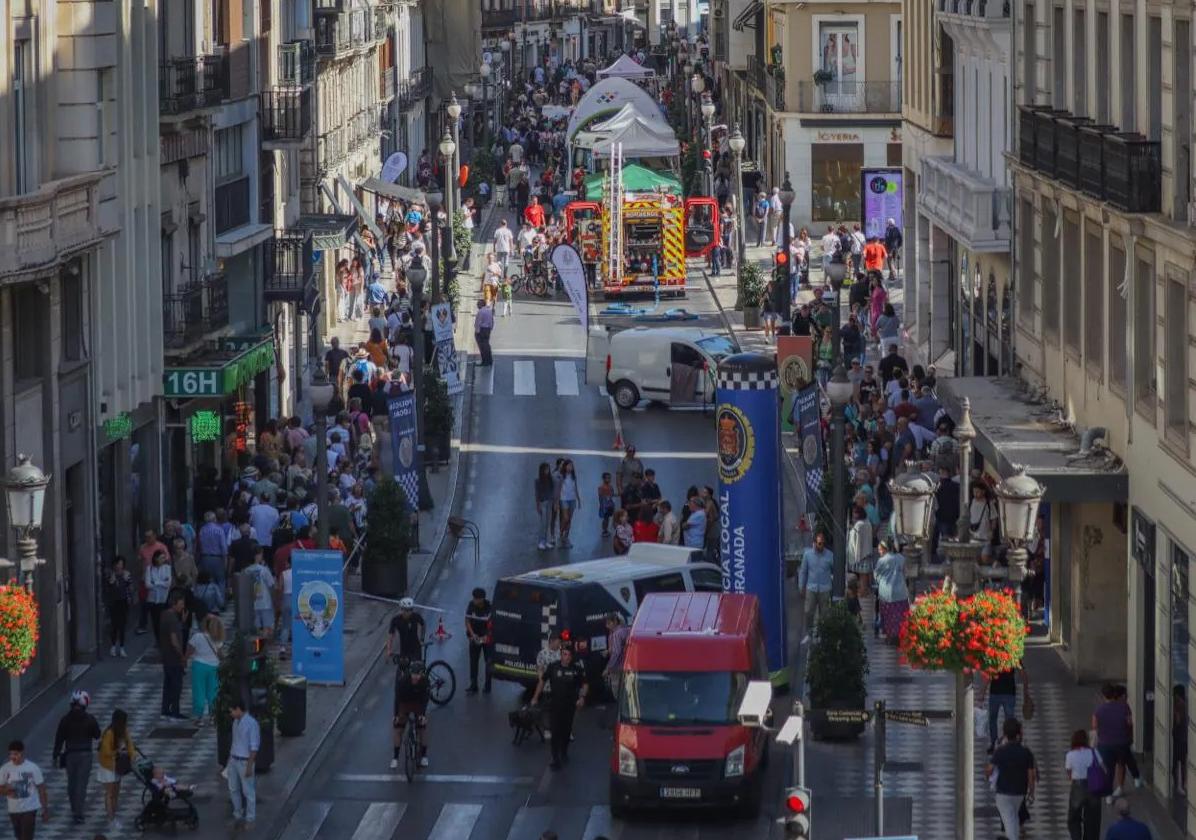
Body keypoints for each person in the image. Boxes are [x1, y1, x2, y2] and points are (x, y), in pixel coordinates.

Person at [531, 646, 588, 770]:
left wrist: (582, 697)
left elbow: (584, 684)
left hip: (570, 706)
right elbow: (542, 681)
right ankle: (555, 758)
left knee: (566, 731)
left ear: (571, 657)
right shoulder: (553, 667)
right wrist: (535, 697)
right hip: (555, 705)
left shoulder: (576, 669)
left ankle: (564, 752)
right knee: (555, 732)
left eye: (568, 655)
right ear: (561, 655)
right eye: (564, 654)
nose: (566, 657)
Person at [52, 690, 100, 825]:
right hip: (85, 754)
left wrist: (55, 755)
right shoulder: (90, 719)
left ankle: (74, 808)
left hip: (70, 755)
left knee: (72, 783)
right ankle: (78, 813)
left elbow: (59, 738)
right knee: (81, 785)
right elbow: (97, 734)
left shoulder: (65, 719)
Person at [986, 718, 1036, 840]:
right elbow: (1031, 774)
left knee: (1010, 822)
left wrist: (989, 776)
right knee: (1013, 819)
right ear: (1019, 734)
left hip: (1003, 792)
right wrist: (1031, 791)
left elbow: (989, 769)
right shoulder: (1026, 752)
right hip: (1019, 792)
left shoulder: (1000, 751)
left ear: (1005, 734)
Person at [1093, 683, 1142, 799]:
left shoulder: (1098, 710)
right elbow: (1129, 724)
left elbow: (1095, 727)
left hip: (1105, 744)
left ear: (1103, 696)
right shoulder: (1124, 707)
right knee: (1122, 763)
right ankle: (1121, 786)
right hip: (1122, 742)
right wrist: (1129, 737)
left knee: (1109, 770)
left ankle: (1108, 795)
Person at [0, 740, 49, 840]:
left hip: (30, 808)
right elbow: (0, 789)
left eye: (16, 754)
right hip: (14, 810)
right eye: (11, 754)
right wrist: (7, 791)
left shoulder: (33, 768)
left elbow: (42, 789)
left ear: (22, 753)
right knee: (19, 836)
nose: (13, 757)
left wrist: (45, 809)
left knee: (26, 836)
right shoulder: (5, 769)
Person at [97, 709, 134, 832]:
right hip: (108, 766)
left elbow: (130, 745)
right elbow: (105, 751)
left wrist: (132, 755)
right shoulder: (109, 733)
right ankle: (111, 818)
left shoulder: (124, 731)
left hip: (118, 766)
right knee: (110, 793)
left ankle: (114, 814)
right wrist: (117, 752)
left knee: (116, 791)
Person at [983, 665, 1032, 754]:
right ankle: (1003, 743)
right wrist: (1026, 690)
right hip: (1007, 693)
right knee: (1007, 720)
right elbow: (1022, 673)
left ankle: (996, 743)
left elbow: (989, 674)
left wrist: (983, 691)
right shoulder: (1012, 655)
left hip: (997, 693)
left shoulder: (998, 654)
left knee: (995, 719)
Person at [226, 699, 260, 830]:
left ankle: (250, 818)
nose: (231, 714)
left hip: (244, 761)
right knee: (233, 788)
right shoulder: (235, 722)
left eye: (232, 711)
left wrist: (249, 766)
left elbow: (254, 747)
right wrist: (229, 761)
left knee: (248, 791)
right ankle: (237, 815)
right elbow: (235, 742)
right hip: (234, 760)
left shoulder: (252, 724)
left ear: (238, 709)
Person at [392, 661, 431, 769]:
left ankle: (424, 756)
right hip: (404, 702)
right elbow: (397, 699)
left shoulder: (425, 682)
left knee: (422, 727)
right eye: (414, 674)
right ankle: (395, 758)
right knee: (398, 728)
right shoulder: (403, 682)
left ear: (422, 674)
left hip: (418, 702)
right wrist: (395, 715)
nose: (415, 677)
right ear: (410, 673)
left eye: (418, 675)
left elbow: (425, 699)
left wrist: (422, 715)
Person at [1064, 729, 1102, 840]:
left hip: (1078, 786)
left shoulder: (1070, 755)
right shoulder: (1093, 752)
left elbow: (1069, 773)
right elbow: (1102, 767)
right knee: (1092, 820)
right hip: (1093, 786)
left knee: (1074, 818)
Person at [187, 614, 223, 721]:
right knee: (213, 692)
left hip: (199, 666)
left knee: (199, 691)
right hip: (214, 667)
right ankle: (213, 716)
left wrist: (184, 659)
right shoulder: (217, 637)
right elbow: (220, 654)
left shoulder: (197, 636)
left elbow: (190, 650)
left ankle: (199, 717)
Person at [873, 540, 909, 642]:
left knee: (888, 615)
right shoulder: (902, 559)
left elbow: (876, 574)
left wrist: (879, 580)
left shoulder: (882, 560)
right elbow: (905, 573)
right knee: (900, 615)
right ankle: (900, 635)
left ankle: (889, 636)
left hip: (886, 592)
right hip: (900, 591)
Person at [159, 591, 187, 719]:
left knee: (168, 684)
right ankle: (175, 710)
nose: (183, 606)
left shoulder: (165, 615)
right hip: (174, 657)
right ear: (174, 604)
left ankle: (165, 708)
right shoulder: (172, 619)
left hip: (166, 656)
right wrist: (181, 655)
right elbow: (174, 639)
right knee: (176, 685)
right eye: (181, 604)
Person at [799, 532, 834, 633]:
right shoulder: (807, 555)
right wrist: (801, 586)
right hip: (811, 588)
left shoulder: (830, 555)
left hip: (825, 589)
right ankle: (809, 633)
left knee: (825, 614)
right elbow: (803, 571)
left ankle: (823, 634)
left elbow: (835, 569)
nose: (821, 546)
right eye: (819, 543)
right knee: (808, 612)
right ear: (814, 543)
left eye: (823, 543)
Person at [465, 588, 494, 694]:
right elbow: (467, 621)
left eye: (476, 599)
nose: (474, 600)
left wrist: (486, 636)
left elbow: (492, 625)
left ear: (482, 599)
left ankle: (487, 686)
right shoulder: (471, 605)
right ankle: (473, 685)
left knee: (488, 662)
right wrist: (472, 634)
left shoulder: (490, 608)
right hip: (474, 637)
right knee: (473, 662)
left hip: (487, 638)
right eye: (473, 598)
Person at [103, 557, 134, 658]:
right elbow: (109, 585)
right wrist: (112, 578)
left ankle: (122, 647)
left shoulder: (127, 574)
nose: (119, 566)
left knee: (122, 625)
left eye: (121, 564)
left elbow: (130, 587)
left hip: (123, 601)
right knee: (114, 625)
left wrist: (130, 598)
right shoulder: (111, 574)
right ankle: (113, 646)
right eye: (117, 564)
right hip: (113, 602)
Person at [244, 548, 276, 637]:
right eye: (261, 554)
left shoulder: (246, 570)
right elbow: (271, 584)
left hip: (252, 601)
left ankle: (257, 643)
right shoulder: (264, 570)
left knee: (256, 625)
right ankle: (264, 643)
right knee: (267, 625)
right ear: (257, 555)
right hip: (265, 600)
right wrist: (274, 598)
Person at [387, 597, 426, 662]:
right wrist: (389, 649)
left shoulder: (416, 616)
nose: (409, 612)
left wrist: (422, 639)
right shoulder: (396, 620)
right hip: (404, 649)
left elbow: (423, 625)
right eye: (406, 610)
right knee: (402, 668)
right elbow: (391, 635)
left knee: (415, 669)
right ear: (402, 610)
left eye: (411, 610)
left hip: (415, 648)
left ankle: (419, 672)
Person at [602, 613, 631, 700]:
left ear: (615, 622)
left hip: (617, 668)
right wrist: (608, 651)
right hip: (628, 665)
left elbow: (616, 653)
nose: (607, 626)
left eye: (608, 623)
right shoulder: (626, 630)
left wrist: (608, 668)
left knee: (618, 693)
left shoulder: (616, 634)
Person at [556, 460, 580, 549]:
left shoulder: (574, 477)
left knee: (569, 519)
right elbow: (559, 489)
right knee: (565, 518)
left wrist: (579, 499)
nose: (570, 467)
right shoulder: (562, 476)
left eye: (571, 466)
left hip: (572, 499)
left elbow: (575, 488)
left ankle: (566, 537)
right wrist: (557, 501)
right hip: (564, 499)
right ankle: (561, 535)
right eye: (569, 466)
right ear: (565, 467)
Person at [535, 463, 556, 550]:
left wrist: (553, 502)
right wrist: (538, 505)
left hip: (549, 502)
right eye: (545, 469)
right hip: (543, 502)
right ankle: (540, 541)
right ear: (542, 470)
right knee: (543, 523)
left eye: (548, 469)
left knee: (547, 523)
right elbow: (537, 494)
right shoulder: (538, 481)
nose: (547, 471)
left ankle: (545, 541)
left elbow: (552, 491)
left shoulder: (550, 480)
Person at [475, 299, 495, 367]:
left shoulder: (480, 312)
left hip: (482, 330)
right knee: (487, 345)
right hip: (487, 329)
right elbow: (492, 321)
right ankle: (489, 360)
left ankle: (484, 361)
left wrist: (477, 332)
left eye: (478, 304)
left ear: (481, 304)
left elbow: (478, 322)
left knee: (482, 347)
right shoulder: (489, 311)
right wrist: (491, 328)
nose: (477, 305)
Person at [597, 473, 615, 538]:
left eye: (609, 478)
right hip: (605, 506)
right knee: (605, 518)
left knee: (607, 518)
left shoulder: (610, 487)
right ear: (603, 479)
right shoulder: (601, 487)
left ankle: (606, 529)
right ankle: (604, 530)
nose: (608, 479)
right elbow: (600, 497)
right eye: (607, 478)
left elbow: (612, 494)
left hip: (610, 505)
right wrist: (602, 506)